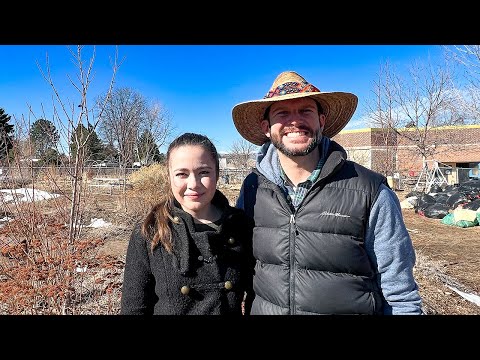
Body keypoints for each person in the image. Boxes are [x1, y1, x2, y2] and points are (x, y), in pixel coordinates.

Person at [232, 71, 423, 315]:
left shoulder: (370, 191)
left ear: (321, 121)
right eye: (282, 113)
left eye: (305, 111)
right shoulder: (252, 188)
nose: (295, 121)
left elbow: (400, 296)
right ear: (266, 128)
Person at [120, 132, 255, 315]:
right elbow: (134, 309)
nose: (193, 184)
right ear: (169, 177)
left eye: (204, 172)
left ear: (217, 174)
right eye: (182, 174)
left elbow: (256, 296)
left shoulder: (241, 226)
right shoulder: (150, 232)